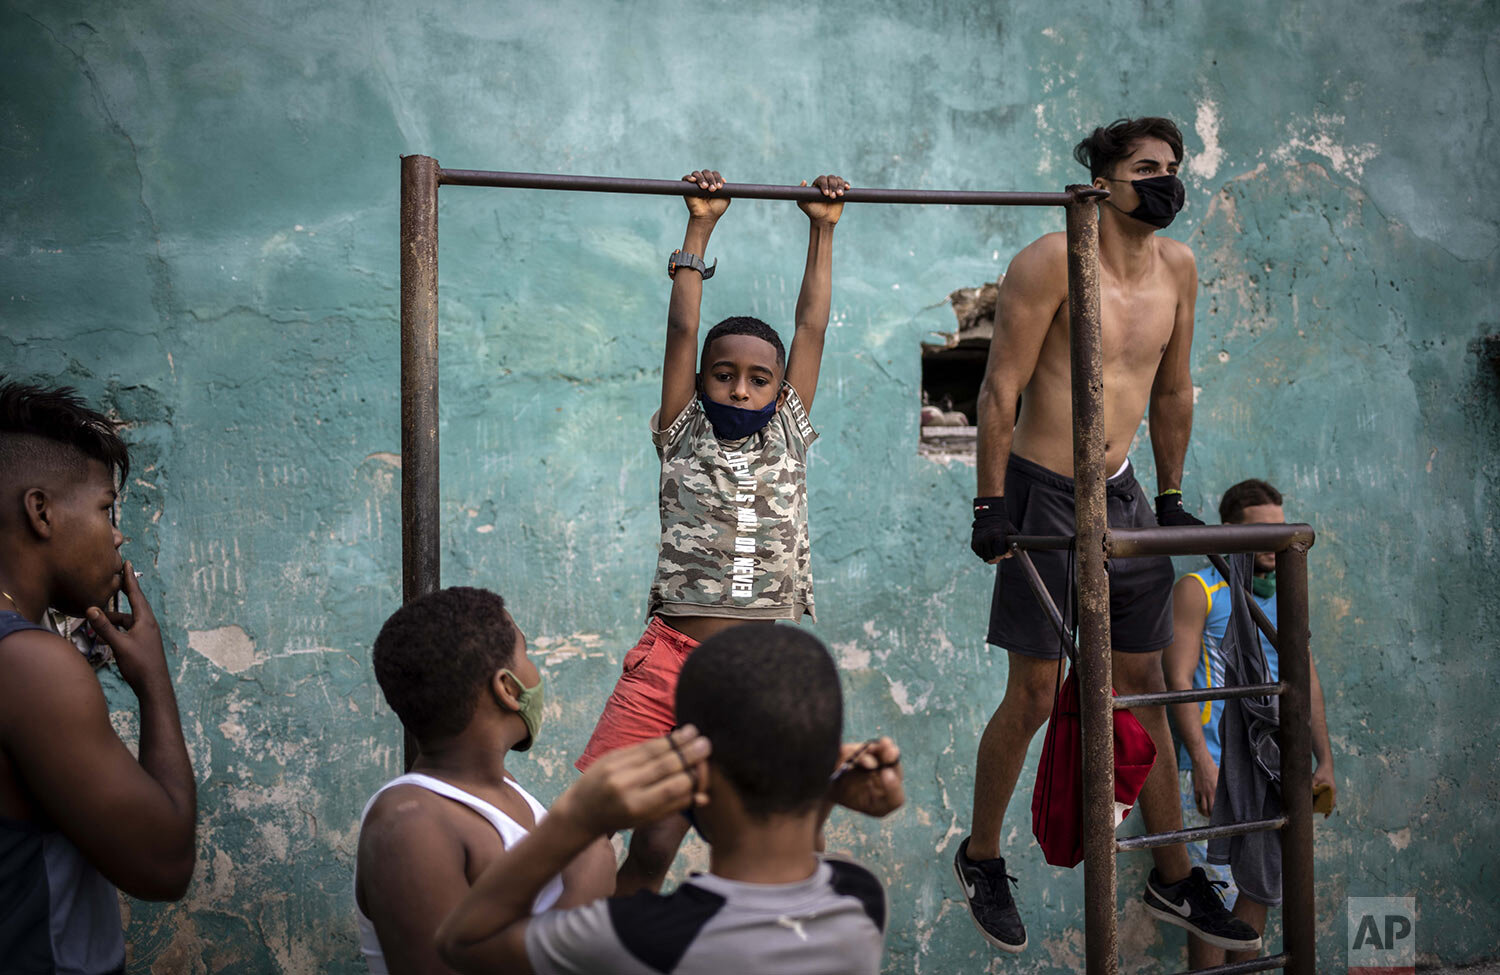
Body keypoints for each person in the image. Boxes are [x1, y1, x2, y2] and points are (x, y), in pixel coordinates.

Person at [956, 117, 1260, 952]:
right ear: (1103, 181)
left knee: (1148, 687)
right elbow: (999, 387)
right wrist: (990, 503)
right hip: (1043, 492)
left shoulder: (1180, 268)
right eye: (1146, 168)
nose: (1165, 180)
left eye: (1173, 167)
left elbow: (1173, 391)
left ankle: (1175, 878)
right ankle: (981, 856)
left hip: (1122, 491)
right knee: (1038, 692)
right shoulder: (1054, 259)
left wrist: (1169, 494)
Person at [576, 168, 848, 895]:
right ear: (700, 383)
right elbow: (682, 328)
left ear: (779, 387)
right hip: (670, 661)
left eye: (759, 379)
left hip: (760, 674)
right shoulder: (683, 430)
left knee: (711, 847)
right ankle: (594, 945)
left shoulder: (788, 432)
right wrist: (700, 227)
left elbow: (811, 327)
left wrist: (821, 229)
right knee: (606, 828)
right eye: (723, 375)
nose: (739, 388)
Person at [436, 624, 904, 975]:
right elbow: (811, 851)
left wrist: (575, 819)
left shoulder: (637, 937)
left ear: (695, 774)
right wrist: (822, 784)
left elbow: (463, 943)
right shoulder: (860, 898)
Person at [0, 381, 197, 972]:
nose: (117, 535)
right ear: (41, 512)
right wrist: (155, 683)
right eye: (106, 509)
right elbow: (164, 866)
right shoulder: (29, 665)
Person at [354, 586, 616, 974]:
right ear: (509, 689)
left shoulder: (505, 793)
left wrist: (650, 852)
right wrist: (587, 887)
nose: (535, 671)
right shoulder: (411, 824)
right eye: (526, 654)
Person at [1164, 478, 1336, 967]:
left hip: (1275, 769)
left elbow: (1307, 684)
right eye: (1260, 531)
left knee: (1261, 885)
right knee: (1213, 899)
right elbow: (1179, 681)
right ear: (1230, 533)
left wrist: (1323, 759)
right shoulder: (1199, 590)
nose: (1271, 542)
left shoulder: (1290, 593)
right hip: (1214, 767)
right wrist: (1200, 761)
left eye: (1279, 530)